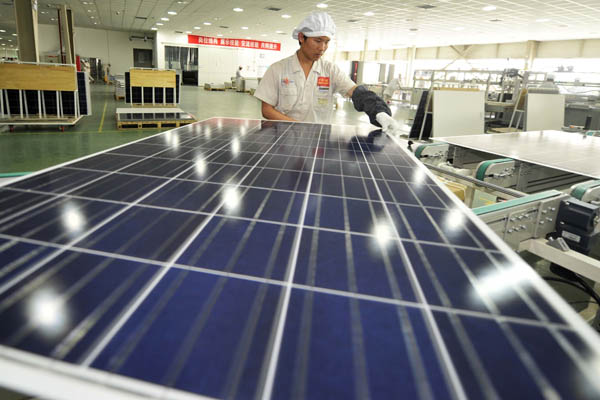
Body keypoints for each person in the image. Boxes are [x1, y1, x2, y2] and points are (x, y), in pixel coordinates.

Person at [254, 12, 400, 133]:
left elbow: (357, 93)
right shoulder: (277, 69)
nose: (322, 48)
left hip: (318, 143)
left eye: (327, 42)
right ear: (301, 37)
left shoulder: (330, 70)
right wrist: (296, 126)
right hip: (284, 140)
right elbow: (267, 110)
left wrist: (379, 112)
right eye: (317, 41)